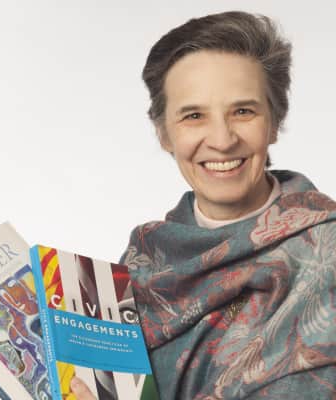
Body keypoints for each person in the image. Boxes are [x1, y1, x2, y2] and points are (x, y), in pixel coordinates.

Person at [71, 10, 336, 400]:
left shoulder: (329, 252)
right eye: (193, 115)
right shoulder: (142, 262)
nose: (222, 140)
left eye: (243, 111)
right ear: (164, 134)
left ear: (274, 122)